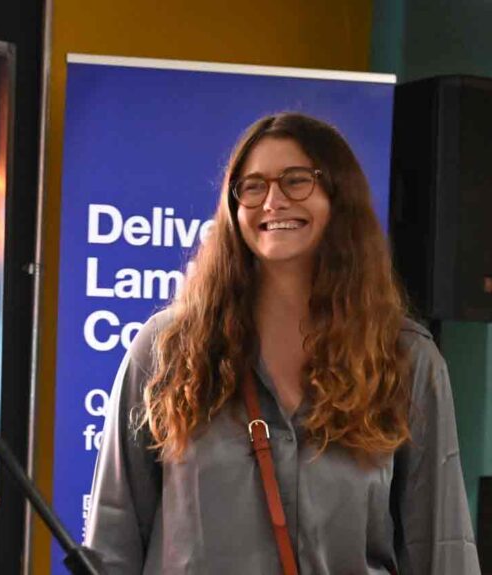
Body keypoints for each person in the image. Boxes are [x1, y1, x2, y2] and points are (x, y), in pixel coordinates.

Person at [84, 112, 479, 574]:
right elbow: (114, 537)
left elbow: (440, 544)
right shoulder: (167, 349)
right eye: (252, 186)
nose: (272, 200)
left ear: (339, 196)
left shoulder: (405, 358)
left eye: (296, 181)